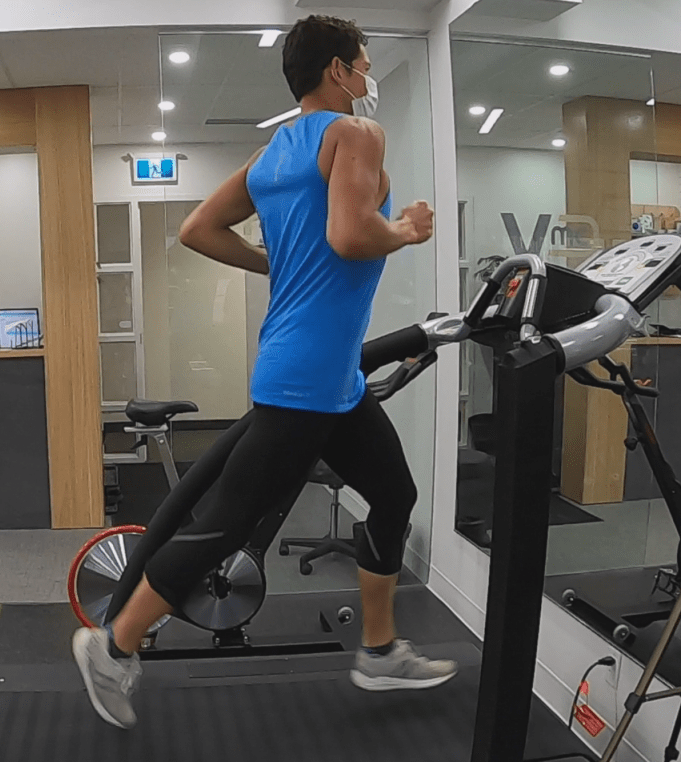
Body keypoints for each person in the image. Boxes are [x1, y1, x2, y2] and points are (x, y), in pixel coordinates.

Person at [73, 15, 457, 730]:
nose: (368, 76)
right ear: (339, 70)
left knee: (393, 493)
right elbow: (351, 234)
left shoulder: (274, 152)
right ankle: (114, 645)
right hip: (308, 375)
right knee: (225, 522)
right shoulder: (356, 134)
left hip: (328, 376)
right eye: (364, 63)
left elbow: (197, 230)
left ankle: (379, 650)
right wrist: (406, 228)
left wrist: (277, 261)